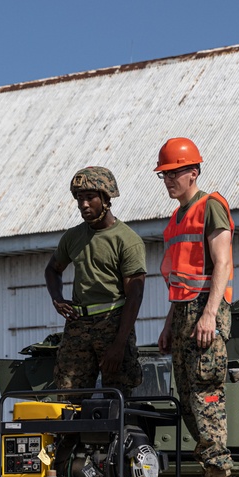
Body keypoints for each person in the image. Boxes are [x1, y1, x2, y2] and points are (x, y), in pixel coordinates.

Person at [155, 137, 236, 477]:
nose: (169, 180)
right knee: (188, 399)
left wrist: (209, 314)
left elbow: (222, 263)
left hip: (206, 310)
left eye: (174, 173)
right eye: (164, 174)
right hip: (184, 312)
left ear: (193, 172)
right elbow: (178, 279)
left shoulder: (211, 206)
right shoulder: (174, 220)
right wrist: (170, 324)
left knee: (206, 395)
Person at [44, 166, 146, 399]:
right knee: (66, 397)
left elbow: (135, 295)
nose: (83, 205)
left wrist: (119, 344)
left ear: (106, 198)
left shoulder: (127, 240)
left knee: (117, 399)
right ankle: (70, 437)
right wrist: (57, 299)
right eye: (79, 199)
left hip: (113, 323)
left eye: (89, 198)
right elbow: (52, 269)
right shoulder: (73, 237)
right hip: (78, 324)